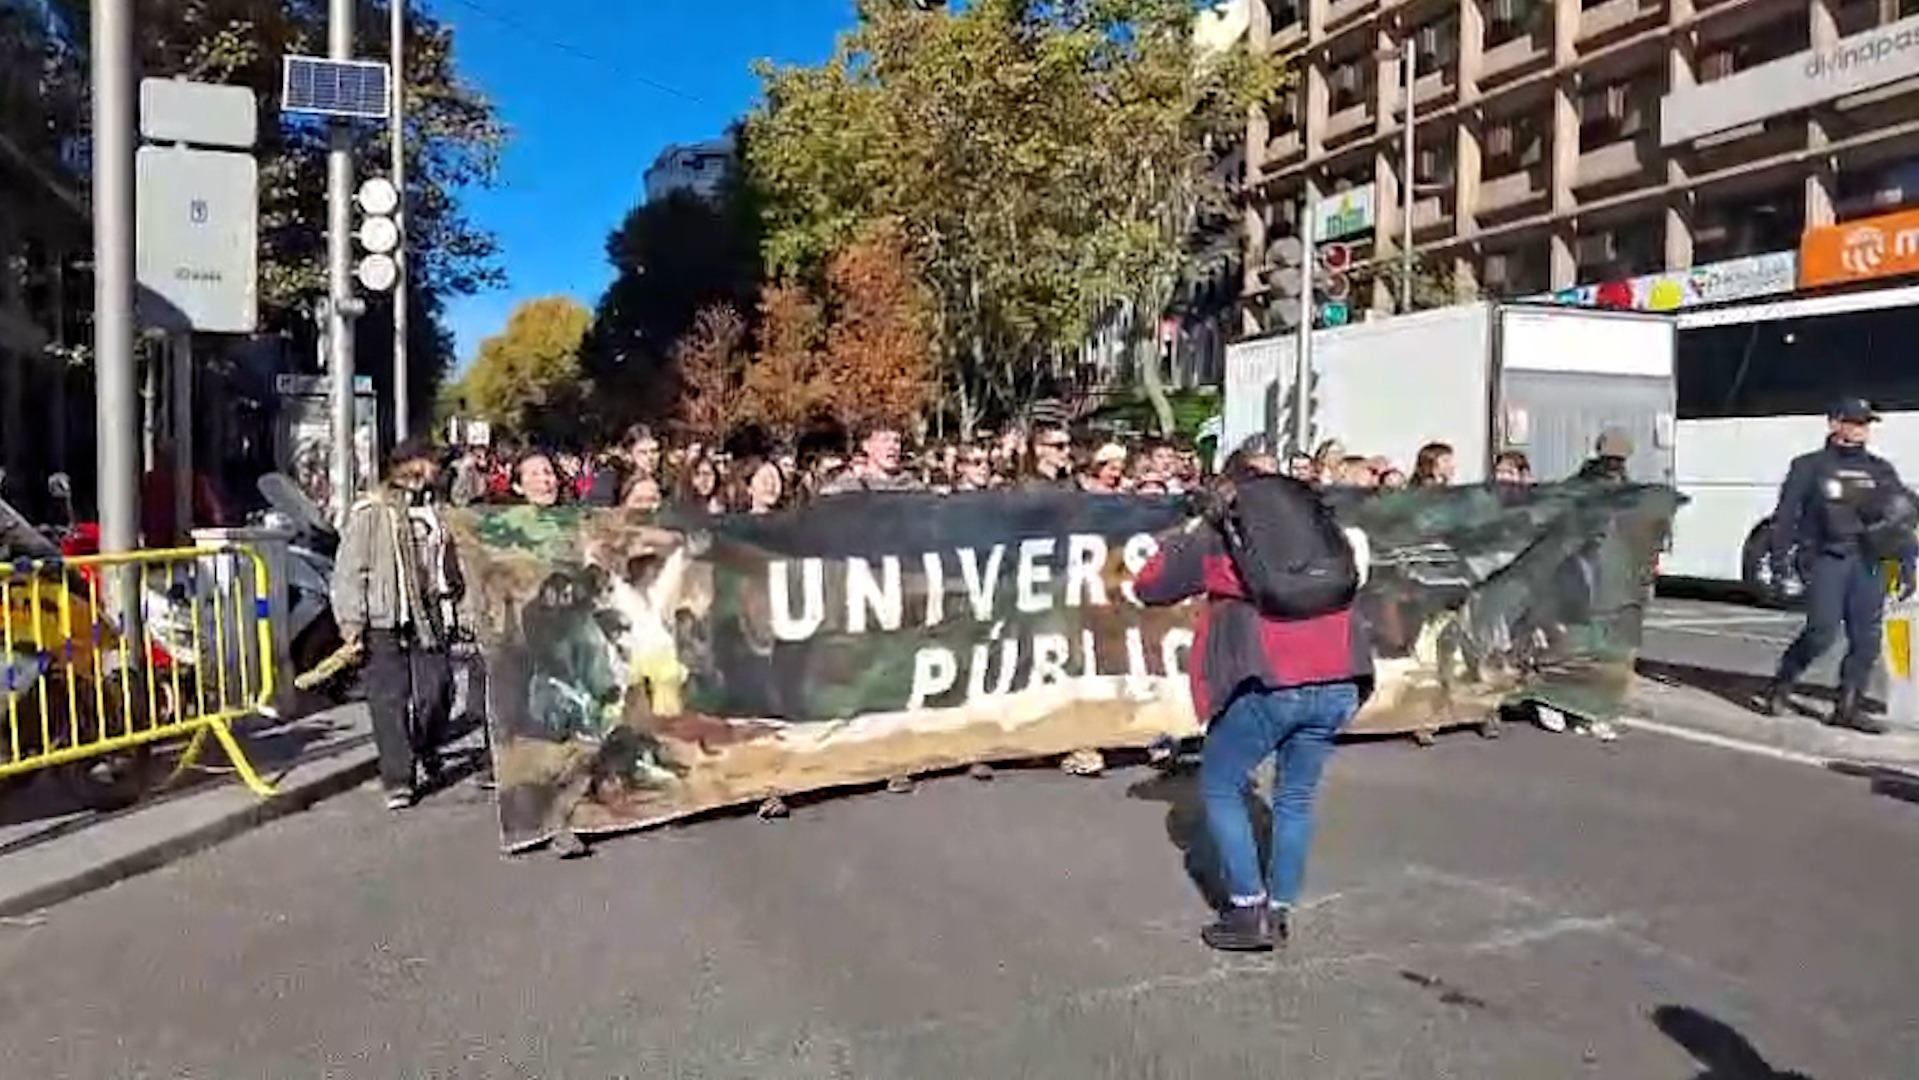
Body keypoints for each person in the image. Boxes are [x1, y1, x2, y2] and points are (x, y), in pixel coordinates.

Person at [1134, 448, 1372, 953]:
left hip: (1271, 680)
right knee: (1295, 797)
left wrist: (1189, 528)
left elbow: (1149, 585)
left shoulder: (1221, 535)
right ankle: (1280, 909)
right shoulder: (1318, 527)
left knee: (1221, 784)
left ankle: (1248, 910)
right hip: (1343, 674)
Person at [1755, 398, 1917, 734]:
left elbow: (1900, 519)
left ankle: (1848, 706)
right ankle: (1781, 685)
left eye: (1865, 424)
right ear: (1834, 423)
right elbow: (1786, 517)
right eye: (1855, 422)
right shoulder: (1809, 467)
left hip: (1868, 562)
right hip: (1827, 558)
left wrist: (1907, 561)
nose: (1861, 430)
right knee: (1821, 632)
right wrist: (1781, 563)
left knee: (1866, 639)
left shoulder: (1880, 470)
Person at [333, 440, 459, 809]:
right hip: (385, 614)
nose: (439, 470)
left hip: (430, 610)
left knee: (437, 688)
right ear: (412, 465)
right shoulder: (372, 510)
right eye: (433, 463)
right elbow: (350, 568)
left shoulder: (439, 508)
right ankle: (398, 778)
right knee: (388, 698)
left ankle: (424, 744)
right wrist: (351, 619)